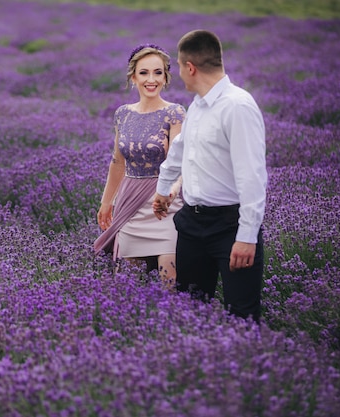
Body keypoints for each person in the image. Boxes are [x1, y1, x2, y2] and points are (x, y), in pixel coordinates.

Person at [153, 30, 267, 322]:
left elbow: (252, 176)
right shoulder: (199, 106)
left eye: (178, 66)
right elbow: (180, 149)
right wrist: (163, 189)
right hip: (192, 223)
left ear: (190, 67)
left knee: (241, 316)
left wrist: (246, 236)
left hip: (230, 226)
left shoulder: (238, 106)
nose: (178, 73)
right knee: (190, 310)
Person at [94, 43, 186, 290]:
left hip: (164, 205)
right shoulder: (123, 114)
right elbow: (118, 161)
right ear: (133, 77)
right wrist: (106, 202)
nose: (151, 79)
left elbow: (178, 162)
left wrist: (170, 191)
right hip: (130, 204)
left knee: (170, 283)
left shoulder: (174, 113)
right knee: (127, 286)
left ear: (166, 77)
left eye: (158, 72)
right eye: (144, 72)